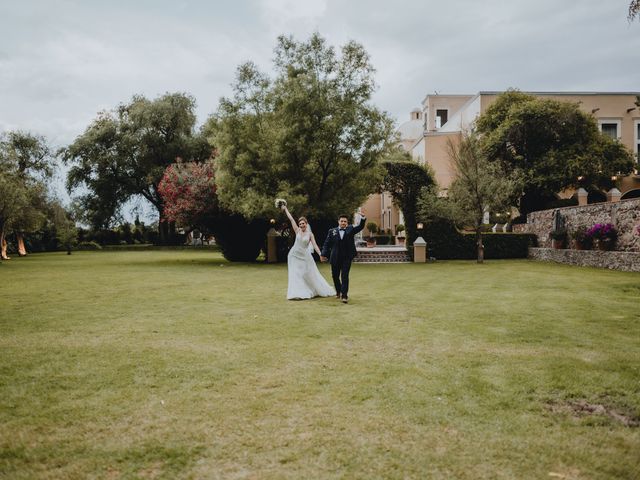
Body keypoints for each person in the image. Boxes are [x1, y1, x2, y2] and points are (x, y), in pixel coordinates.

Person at [282, 204, 336, 300]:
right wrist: (285, 209)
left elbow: (315, 245)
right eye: (300, 224)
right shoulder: (297, 230)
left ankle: (314, 289)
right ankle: (296, 293)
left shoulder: (310, 234)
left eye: (303, 223)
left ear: (306, 224)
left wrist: (320, 254)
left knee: (309, 274)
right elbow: (291, 219)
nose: (302, 225)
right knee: (295, 273)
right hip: (294, 255)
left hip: (305, 256)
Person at [320, 210, 366, 304]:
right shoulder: (332, 231)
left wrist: (363, 218)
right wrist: (323, 254)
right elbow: (326, 244)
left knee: (345, 276)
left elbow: (360, 226)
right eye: (342, 221)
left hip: (347, 258)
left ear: (347, 223)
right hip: (335, 257)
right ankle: (338, 291)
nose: (343, 223)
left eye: (345, 221)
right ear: (338, 221)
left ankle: (344, 296)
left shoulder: (350, 229)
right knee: (335, 276)